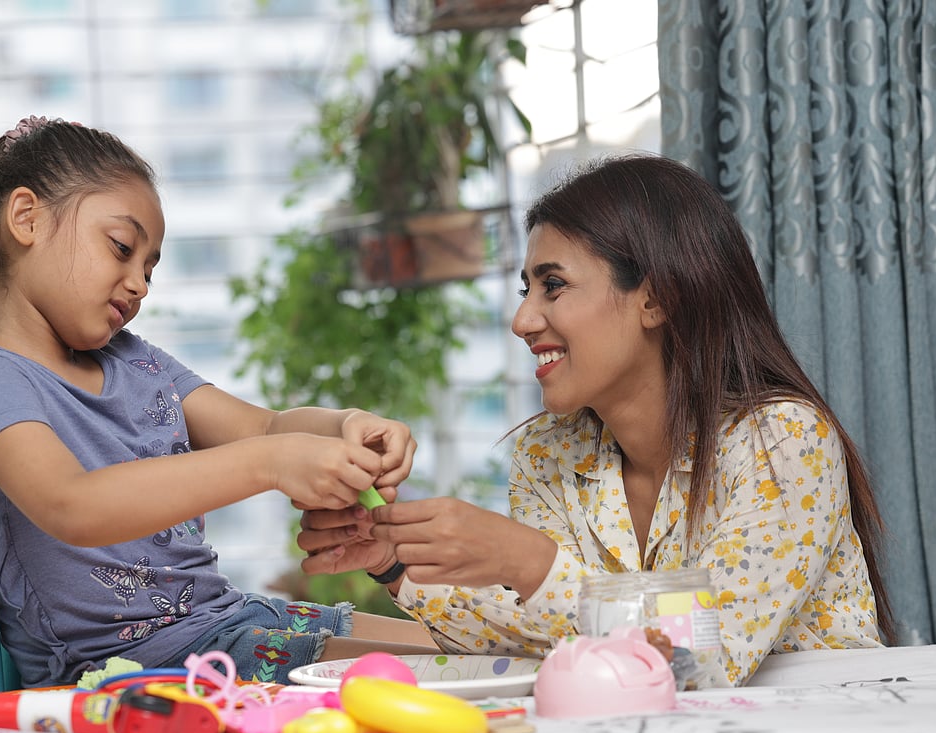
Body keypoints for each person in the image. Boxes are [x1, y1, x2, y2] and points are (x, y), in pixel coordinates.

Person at [296, 152, 893, 688]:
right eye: (525, 289)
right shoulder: (548, 454)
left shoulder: (784, 441)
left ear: (655, 299)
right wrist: (393, 563)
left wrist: (527, 561)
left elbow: (701, 659)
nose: (523, 319)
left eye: (553, 286)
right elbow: (547, 645)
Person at [0, 115, 437, 688]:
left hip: (229, 626)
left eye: (149, 268)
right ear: (27, 218)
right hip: (135, 671)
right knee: (435, 673)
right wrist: (270, 466)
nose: (140, 284)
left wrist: (346, 424)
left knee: (473, 647)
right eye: (122, 248)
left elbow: (269, 428)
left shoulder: (136, 362)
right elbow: (71, 505)